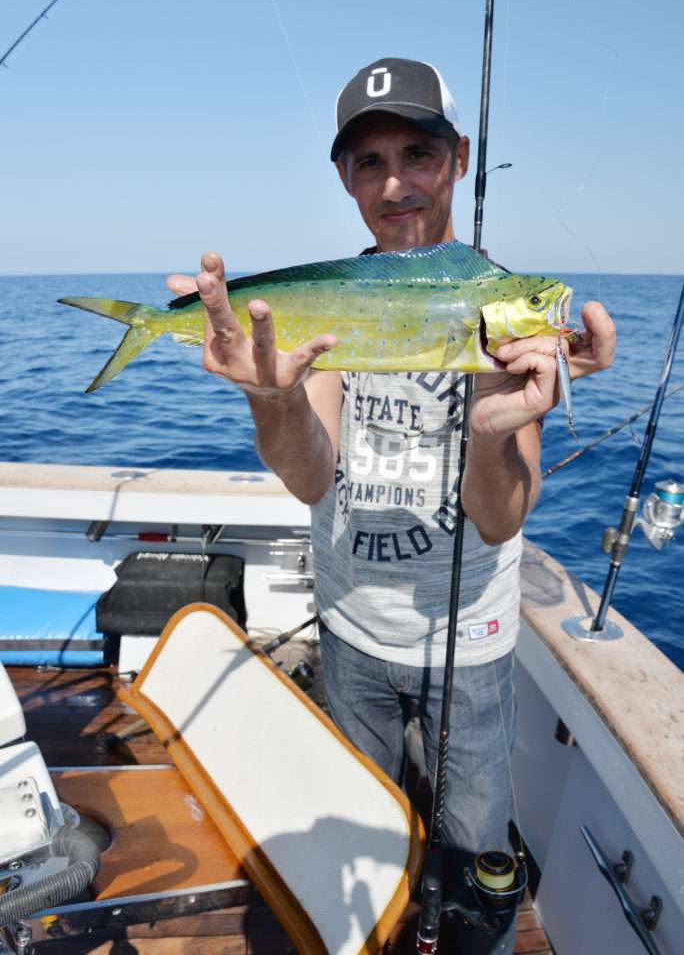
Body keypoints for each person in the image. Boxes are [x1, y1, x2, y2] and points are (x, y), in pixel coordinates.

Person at [168, 57, 616, 953]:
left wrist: (491, 430)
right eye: (369, 163)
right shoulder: (336, 299)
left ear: (459, 158)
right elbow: (311, 477)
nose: (395, 184)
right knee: (354, 838)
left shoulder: (501, 304)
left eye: (419, 154)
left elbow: (500, 521)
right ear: (344, 178)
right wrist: (272, 396)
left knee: (477, 861)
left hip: (470, 645)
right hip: (349, 630)